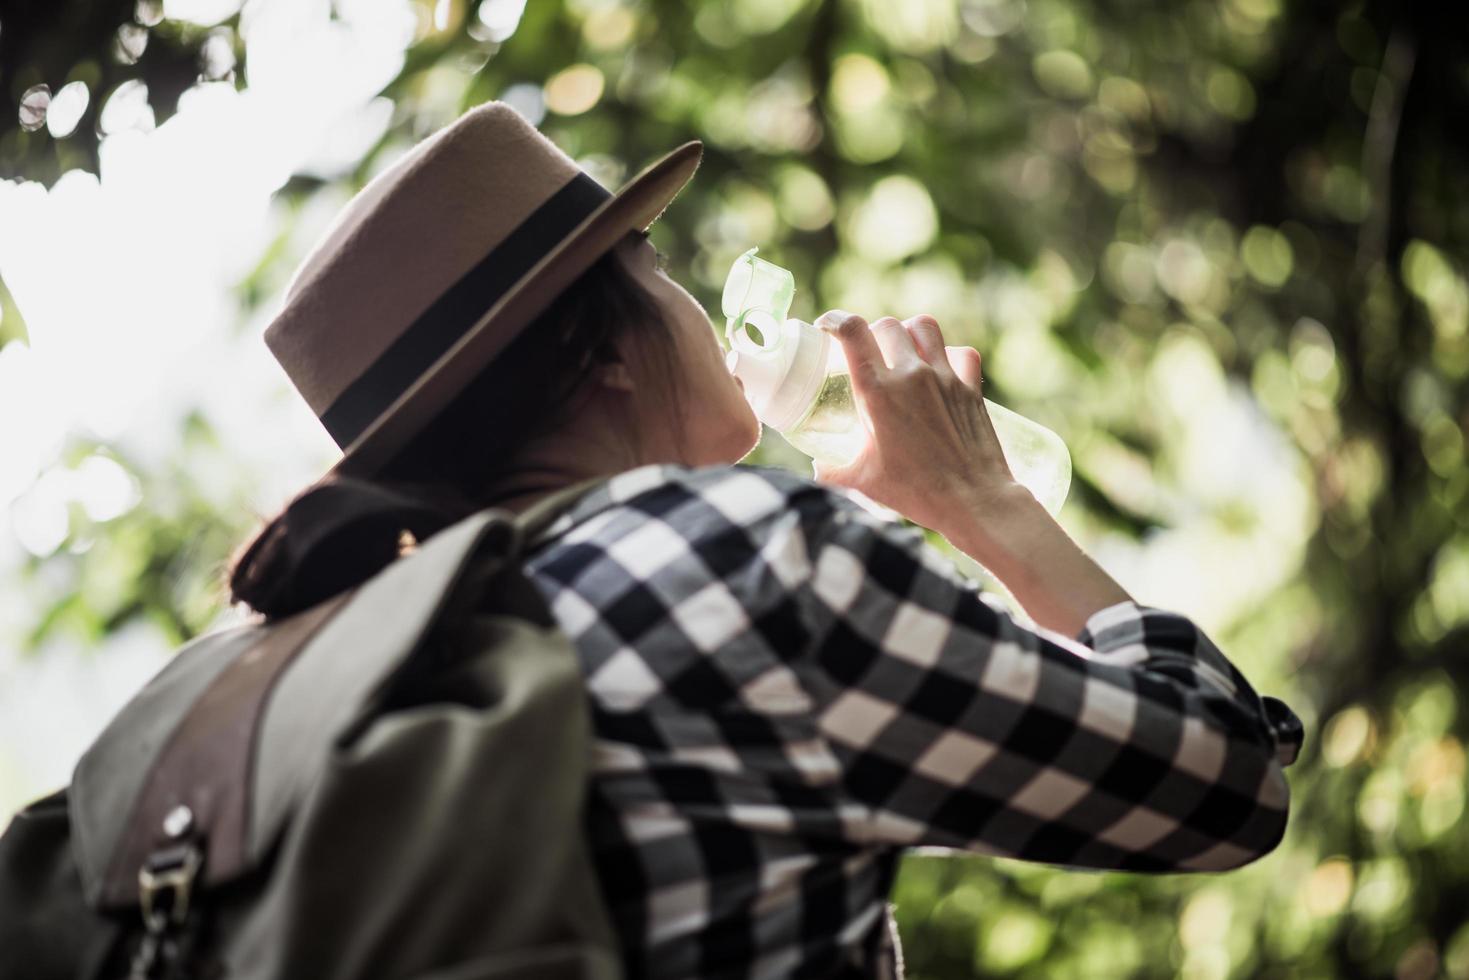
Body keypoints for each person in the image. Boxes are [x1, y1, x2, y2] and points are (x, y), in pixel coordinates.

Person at [230, 102, 1304, 979]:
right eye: (654, 268)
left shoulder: (371, 669)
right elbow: (1223, 779)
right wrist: (987, 500)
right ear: (596, 345)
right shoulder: (746, 562)